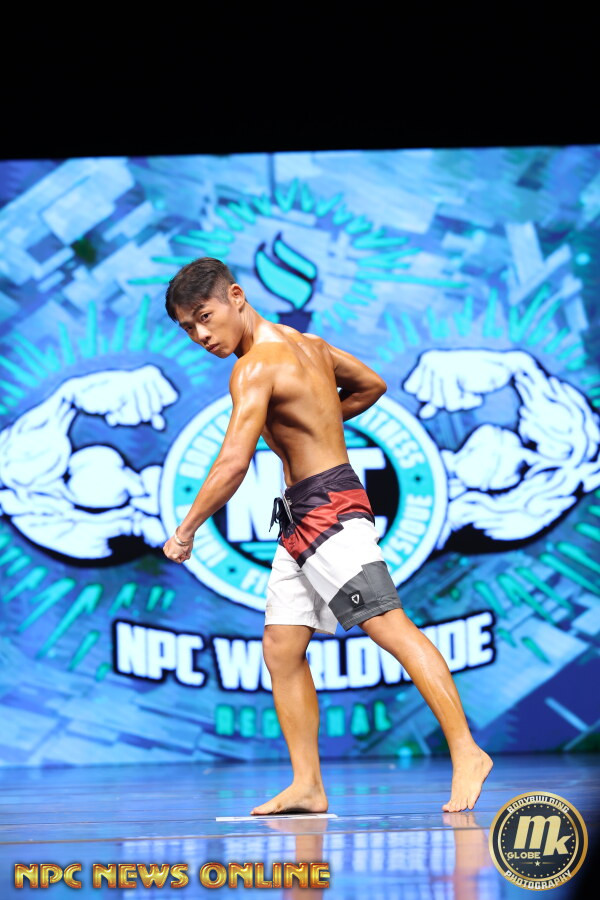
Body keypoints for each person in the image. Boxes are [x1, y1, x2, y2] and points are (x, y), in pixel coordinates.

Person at [162, 257, 493, 814]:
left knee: (390, 626)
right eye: (187, 328)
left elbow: (233, 462)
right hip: (302, 513)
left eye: (205, 316)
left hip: (329, 512)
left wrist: (186, 529)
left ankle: (467, 750)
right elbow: (371, 384)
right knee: (282, 647)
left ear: (236, 296)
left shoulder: (253, 368)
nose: (200, 336)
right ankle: (308, 785)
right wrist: (320, 421)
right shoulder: (308, 346)